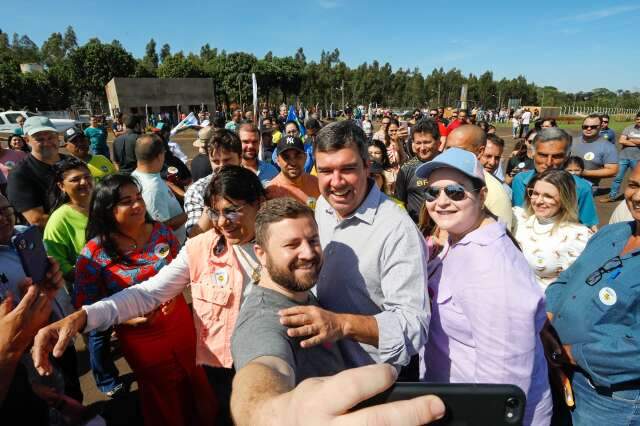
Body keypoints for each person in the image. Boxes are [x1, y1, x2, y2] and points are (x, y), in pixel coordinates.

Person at [33, 167, 266, 425]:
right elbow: (149, 291)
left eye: (232, 210)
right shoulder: (201, 246)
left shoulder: (280, 241)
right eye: (214, 212)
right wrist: (82, 317)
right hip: (156, 342)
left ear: (259, 203)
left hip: (237, 345)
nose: (222, 222)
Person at [415, 147, 552, 425]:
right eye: (433, 192)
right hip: (453, 401)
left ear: (482, 195)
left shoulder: (491, 267)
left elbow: (504, 376)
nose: (440, 202)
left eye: (454, 191)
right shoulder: (459, 239)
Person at [278, 120, 429, 371]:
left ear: (367, 166)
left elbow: (413, 328)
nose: (336, 183)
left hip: (370, 386)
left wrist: (340, 325)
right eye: (325, 171)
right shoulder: (324, 206)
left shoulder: (397, 229)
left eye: (347, 169)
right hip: (319, 374)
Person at [67, 174, 215, 426]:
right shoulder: (93, 254)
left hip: (180, 323)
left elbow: (181, 269)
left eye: (138, 198)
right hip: (140, 337)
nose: (137, 205)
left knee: (195, 376)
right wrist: (125, 320)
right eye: (127, 201)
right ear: (107, 209)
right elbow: (85, 306)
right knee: (162, 391)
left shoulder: (161, 232)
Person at [544, 162, 640, 425]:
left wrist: (573, 353)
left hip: (611, 398)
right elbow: (566, 281)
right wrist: (549, 324)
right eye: (633, 185)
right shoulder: (613, 232)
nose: (637, 196)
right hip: (560, 371)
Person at [513, 169, 593, 290]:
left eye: (548, 196)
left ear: (564, 199)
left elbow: (582, 284)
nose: (539, 201)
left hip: (542, 305)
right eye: (535, 193)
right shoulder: (518, 217)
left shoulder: (578, 236)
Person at [512, 127, 599, 229]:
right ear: (532, 154)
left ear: (567, 156)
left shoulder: (581, 188)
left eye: (557, 156)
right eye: (543, 155)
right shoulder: (520, 181)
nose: (549, 163)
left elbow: (587, 226)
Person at [445, 125, 514, 230]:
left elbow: (501, 234)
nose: (492, 162)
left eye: (458, 150)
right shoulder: (447, 177)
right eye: (448, 149)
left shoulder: (496, 192)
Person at [7, 116, 66, 227]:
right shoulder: (20, 174)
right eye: (40, 139)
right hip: (53, 240)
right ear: (27, 140)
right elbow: (37, 219)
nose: (47, 142)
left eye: (51, 137)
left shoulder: (72, 162)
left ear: (58, 137)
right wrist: (83, 219)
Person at [184, 129, 242, 238]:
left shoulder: (252, 185)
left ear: (240, 158)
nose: (221, 166)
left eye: (227, 160)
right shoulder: (196, 190)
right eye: (215, 161)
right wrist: (212, 197)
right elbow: (194, 236)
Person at [131, 133, 187, 244]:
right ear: (159, 156)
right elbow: (163, 226)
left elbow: (164, 183)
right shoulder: (152, 189)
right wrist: (190, 211)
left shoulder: (141, 175)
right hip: (173, 248)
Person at [394, 119, 440, 222]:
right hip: (417, 230)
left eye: (427, 142)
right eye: (418, 143)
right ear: (413, 144)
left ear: (438, 142)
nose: (422, 148)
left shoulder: (448, 164)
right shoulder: (406, 169)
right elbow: (399, 203)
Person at [266, 136, 320, 207]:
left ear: (305, 157)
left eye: (297, 156)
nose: (293, 162)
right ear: (277, 161)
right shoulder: (270, 193)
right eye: (286, 157)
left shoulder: (316, 184)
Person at [570, 114, 618, 188]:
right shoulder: (572, 141)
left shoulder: (607, 146)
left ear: (600, 127)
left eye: (593, 127)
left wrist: (585, 173)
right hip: (567, 184)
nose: (588, 129)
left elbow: (612, 170)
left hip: (588, 187)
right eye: (585, 127)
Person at [601, 112, 640, 203]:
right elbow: (621, 141)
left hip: (637, 159)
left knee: (637, 179)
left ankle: (636, 197)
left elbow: (625, 140)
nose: (639, 121)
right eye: (638, 119)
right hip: (623, 157)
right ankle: (612, 196)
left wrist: (629, 140)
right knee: (617, 178)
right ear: (635, 119)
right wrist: (637, 142)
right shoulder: (629, 128)